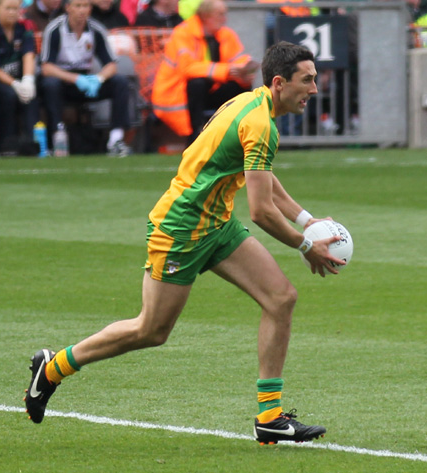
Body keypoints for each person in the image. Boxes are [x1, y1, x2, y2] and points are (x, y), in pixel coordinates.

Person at [24, 40, 346, 445]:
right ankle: (52, 369)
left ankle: (269, 417)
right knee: (151, 330)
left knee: (281, 298)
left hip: (216, 224)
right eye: (308, 80)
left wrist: (305, 219)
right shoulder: (261, 124)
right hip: (181, 229)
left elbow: (262, 178)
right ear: (280, 83)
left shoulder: (252, 104)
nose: (314, 89)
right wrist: (305, 245)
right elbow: (262, 211)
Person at [151, 0, 260, 145]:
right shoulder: (182, 33)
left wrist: (244, 71)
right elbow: (187, 69)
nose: (225, 19)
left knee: (241, 86)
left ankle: (238, 135)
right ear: (206, 16)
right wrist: (227, 70)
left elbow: (238, 59)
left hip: (210, 90)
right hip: (178, 95)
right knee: (197, 83)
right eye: (220, 14)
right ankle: (195, 136)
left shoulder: (226, 34)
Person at [39, 0, 131, 156]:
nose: (82, 10)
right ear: (68, 8)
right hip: (63, 80)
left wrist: (99, 79)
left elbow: (111, 64)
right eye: (78, 6)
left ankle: (116, 139)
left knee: (120, 82)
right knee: (50, 85)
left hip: (88, 82)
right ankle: (58, 136)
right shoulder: (55, 29)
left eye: (86, 6)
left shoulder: (96, 29)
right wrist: (75, 79)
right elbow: (47, 68)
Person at [0, 0, 38, 153]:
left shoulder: (25, 26)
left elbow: (28, 54)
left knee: (31, 95)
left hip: (20, 76)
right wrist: (15, 84)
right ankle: (3, 142)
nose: (12, 12)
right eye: (8, 8)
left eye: (15, 9)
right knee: (8, 95)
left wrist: (28, 80)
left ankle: (31, 141)